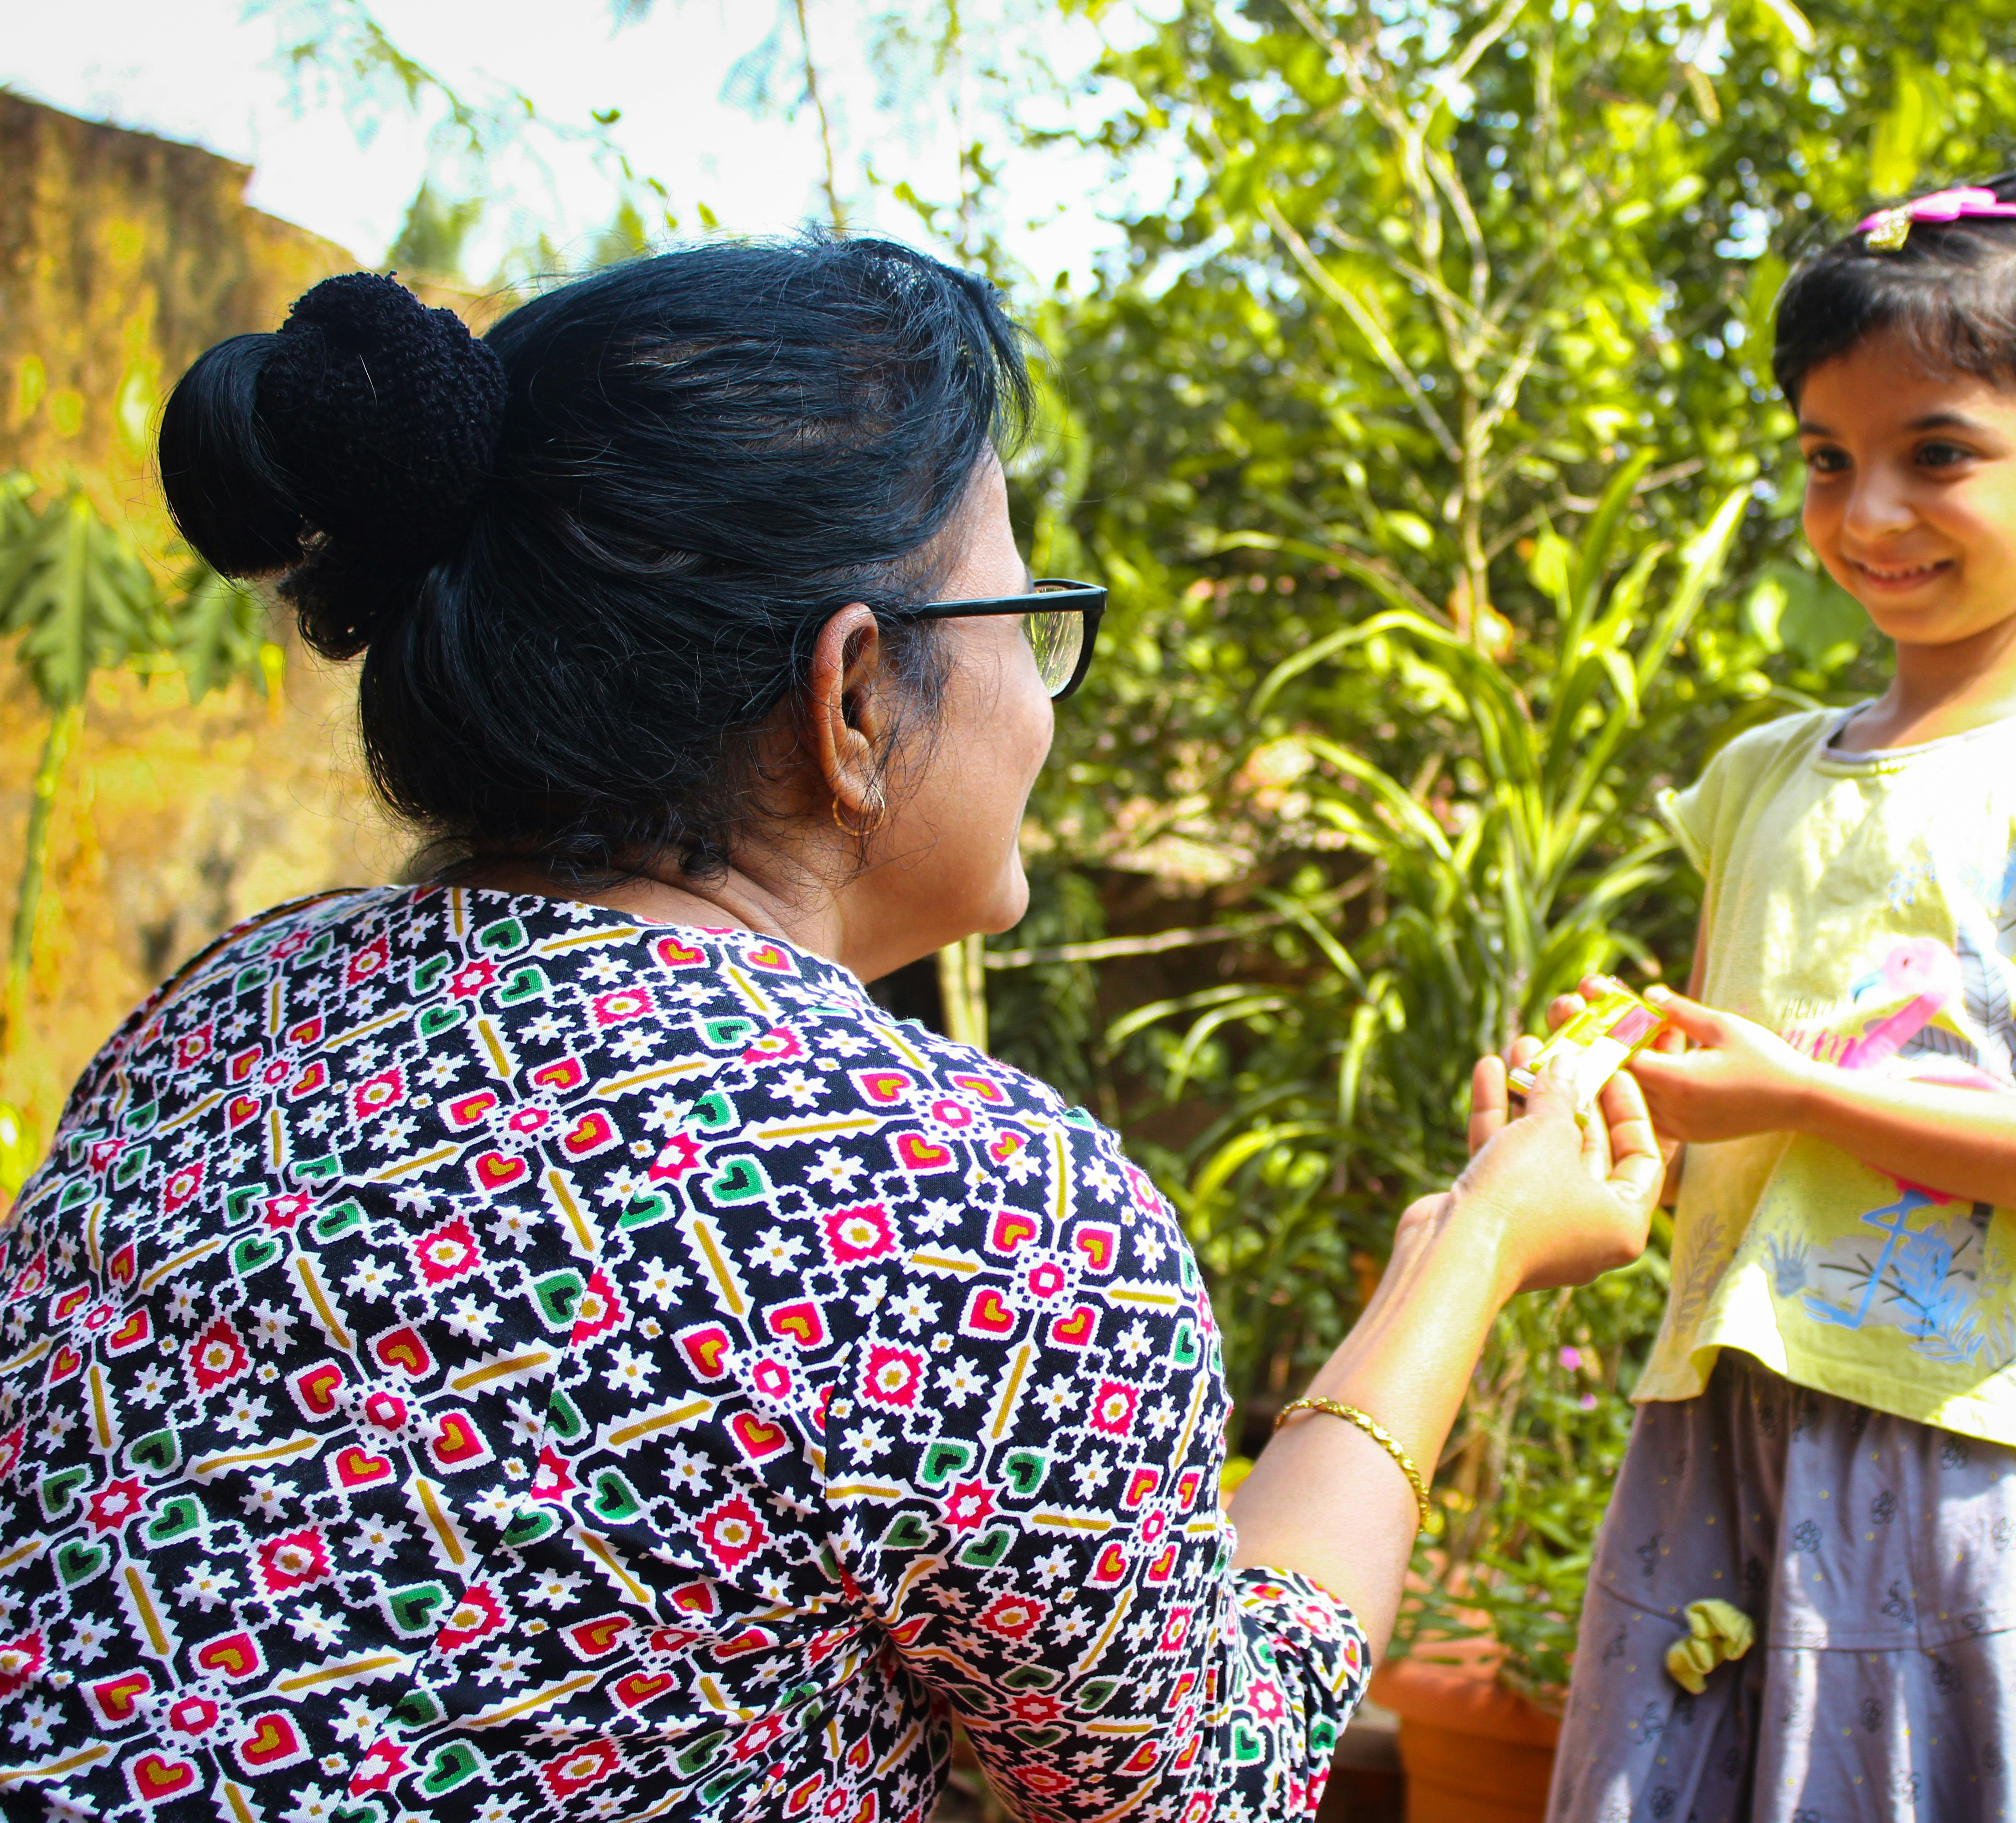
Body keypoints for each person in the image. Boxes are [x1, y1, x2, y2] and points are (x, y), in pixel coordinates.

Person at [0, 245, 1661, 1823]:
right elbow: (1195, 1775)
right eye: (1027, 620)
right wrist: (1474, 1251)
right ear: (857, 695)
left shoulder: (224, 1013)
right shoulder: (959, 1200)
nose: (1041, 697)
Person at [1542, 168, 2016, 1822]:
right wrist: (1593, 1108)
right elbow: (1715, 1146)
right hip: (1711, 1444)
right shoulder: (1752, 780)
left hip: (1964, 1464)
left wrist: (1799, 1095)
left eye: (1937, 454)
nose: (1867, 512)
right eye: (1827, 457)